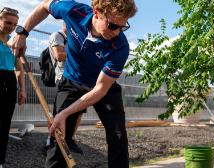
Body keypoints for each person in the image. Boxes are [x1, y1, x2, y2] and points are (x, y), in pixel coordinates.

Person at [10, 0, 137, 167]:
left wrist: (64, 113)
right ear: (96, 12)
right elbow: (45, 5)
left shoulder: (120, 46)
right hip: (72, 82)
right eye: (113, 25)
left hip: (102, 86)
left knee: (118, 137)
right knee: (59, 136)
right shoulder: (74, 11)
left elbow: (100, 89)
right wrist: (22, 32)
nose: (117, 32)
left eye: (123, 27)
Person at [45, 22, 83, 154]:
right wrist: (81, 55)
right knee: (60, 113)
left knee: (78, 112)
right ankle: (51, 143)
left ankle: (70, 139)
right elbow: (59, 55)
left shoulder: (74, 39)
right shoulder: (58, 36)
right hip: (64, 78)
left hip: (77, 79)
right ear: (66, 24)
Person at [0, 7, 26, 168]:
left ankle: (0, 161)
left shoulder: (13, 43)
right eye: (8, 22)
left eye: (14, 24)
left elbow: (19, 67)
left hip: (9, 82)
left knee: (4, 124)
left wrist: (22, 89)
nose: (11, 26)